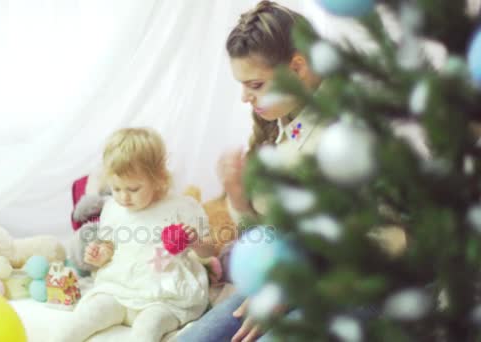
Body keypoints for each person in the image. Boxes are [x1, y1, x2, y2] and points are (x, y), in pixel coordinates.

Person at [179, 2, 324, 341]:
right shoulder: (284, 126)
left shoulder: (346, 132)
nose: (245, 97)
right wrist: (240, 200)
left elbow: (378, 245)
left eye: (256, 84)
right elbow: (271, 234)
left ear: (298, 68)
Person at [54, 127, 215, 342]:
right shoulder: (112, 208)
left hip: (164, 295)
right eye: (116, 188)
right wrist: (101, 253)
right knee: (86, 317)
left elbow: (210, 249)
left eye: (133, 189)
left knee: (148, 328)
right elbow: (110, 245)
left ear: (158, 179)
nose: (124, 197)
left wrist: (194, 241)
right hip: (120, 288)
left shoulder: (181, 207)